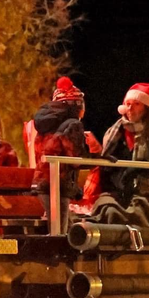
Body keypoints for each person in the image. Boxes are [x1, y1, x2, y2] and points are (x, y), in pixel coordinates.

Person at [92, 83, 149, 223]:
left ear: (146, 108)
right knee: (109, 213)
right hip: (113, 193)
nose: (130, 108)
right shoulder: (114, 132)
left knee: (138, 215)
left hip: (140, 192)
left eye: (136, 104)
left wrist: (141, 167)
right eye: (128, 103)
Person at [30, 77, 101, 225]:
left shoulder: (44, 125)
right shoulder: (73, 125)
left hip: (42, 183)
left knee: (56, 228)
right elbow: (75, 158)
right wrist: (98, 157)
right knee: (59, 233)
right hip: (58, 185)